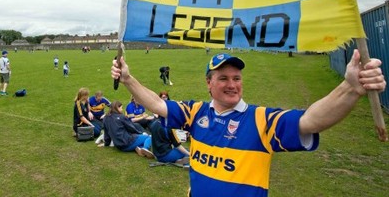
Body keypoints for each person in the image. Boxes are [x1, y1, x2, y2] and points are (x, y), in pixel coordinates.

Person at [111, 50, 386, 197]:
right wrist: (127, 79)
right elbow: (157, 105)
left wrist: (349, 88)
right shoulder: (195, 112)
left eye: (237, 78)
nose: (232, 84)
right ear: (209, 83)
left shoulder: (261, 120)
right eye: (223, 78)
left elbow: (311, 120)